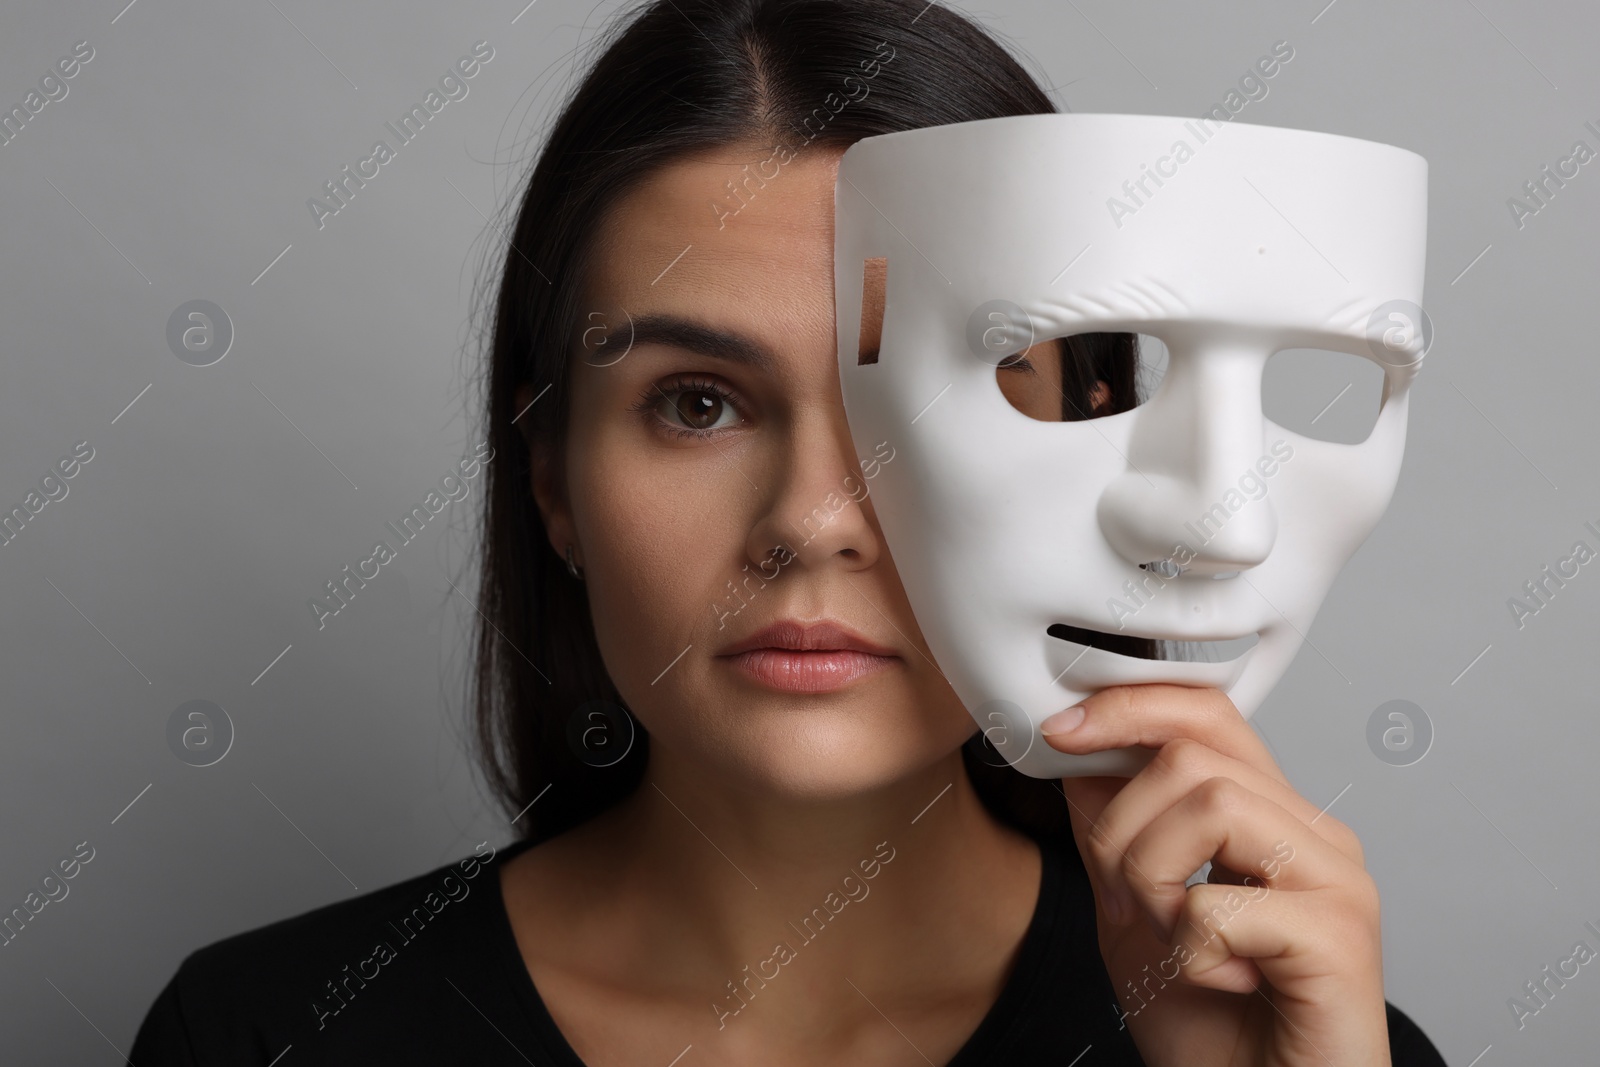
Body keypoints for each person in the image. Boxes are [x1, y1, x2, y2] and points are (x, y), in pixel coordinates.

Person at [130, 1, 1448, 1063]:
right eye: (698, 404)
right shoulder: (263, 1033)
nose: (814, 522)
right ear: (553, 484)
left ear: (1105, 429)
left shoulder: (1296, 1040)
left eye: (943, 391)